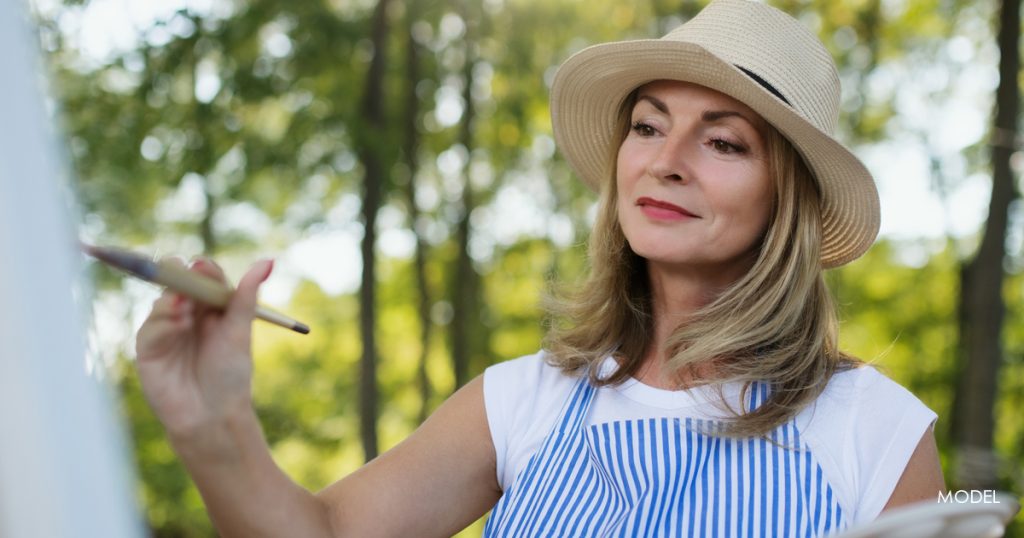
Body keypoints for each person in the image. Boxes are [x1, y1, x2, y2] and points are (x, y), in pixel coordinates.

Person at [134, 0, 946, 536]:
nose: (666, 162)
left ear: (787, 200)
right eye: (648, 126)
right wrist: (214, 425)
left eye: (724, 141)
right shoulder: (526, 400)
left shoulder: (873, 426)